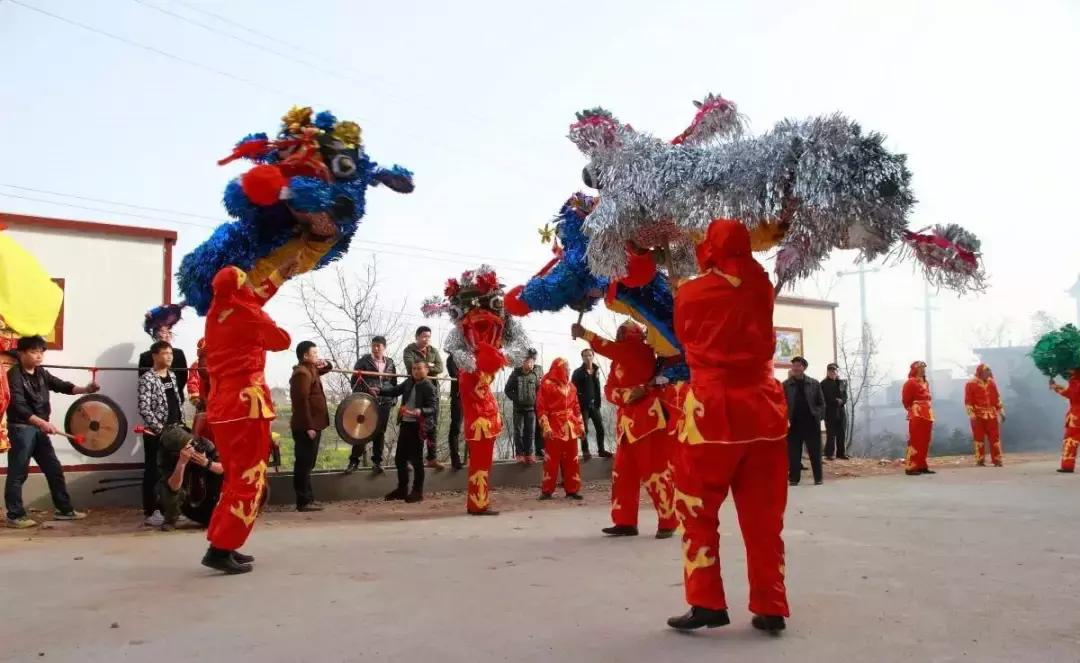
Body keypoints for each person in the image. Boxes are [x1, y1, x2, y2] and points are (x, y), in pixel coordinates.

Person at [667, 219, 789, 634]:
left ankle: (707, 602)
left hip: (711, 416)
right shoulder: (764, 287)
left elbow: (683, 338)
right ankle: (771, 605)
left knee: (697, 509)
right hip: (764, 413)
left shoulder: (690, 292)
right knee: (764, 517)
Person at [202, 265, 292, 574]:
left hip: (221, 408)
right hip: (246, 408)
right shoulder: (249, 315)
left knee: (234, 478)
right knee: (250, 479)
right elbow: (281, 340)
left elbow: (252, 299)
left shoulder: (217, 311)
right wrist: (263, 318)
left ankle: (222, 542)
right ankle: (222, 548)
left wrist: (279, 277)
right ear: (241, 288)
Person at [572, 320, 676, 539]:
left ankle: (668, 520)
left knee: (654, 470)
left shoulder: (641, 351)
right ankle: (625, 521)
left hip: (648, 421)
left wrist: (586, 334)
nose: (618, 335)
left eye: (622, 332)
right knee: (622, 473)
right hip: (626, 424)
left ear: (633, 336)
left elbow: (610, 349)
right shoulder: (617, 360)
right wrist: (627, 395)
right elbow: (609, 390)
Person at [5, 335, 97, 529]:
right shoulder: (13, 375)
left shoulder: (41, 373)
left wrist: (86, 389)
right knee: (18, 472)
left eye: (41, 352)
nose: (38, 356)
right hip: (22, 429)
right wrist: (41, 423)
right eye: (33, 352)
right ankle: (15, 515)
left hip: (39, 429)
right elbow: (18, 406)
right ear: (21, 353)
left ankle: (64, 510)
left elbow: (61, 386)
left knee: (54, 469)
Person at [136, 340, 185, 527]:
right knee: (153, 471)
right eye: (165, 353)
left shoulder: (172, 376)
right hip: (156, 433)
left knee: (172, 471)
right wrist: (159, 429)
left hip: (175, 430)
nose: (169, 356)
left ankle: (171, 510)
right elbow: (145, 408)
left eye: (170, 353)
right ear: (155, 356)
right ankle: (151, 511)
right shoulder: (147, 379)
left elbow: (177, 401)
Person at [379, 359, 438, 502]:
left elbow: (433, 408)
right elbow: (395, 390)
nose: (416, 371)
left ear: (426, 370)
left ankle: (417, 492)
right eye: (414, 369)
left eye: (419, 368)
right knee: (400, 459)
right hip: (405, 423)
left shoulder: (429, 387)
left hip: (418, 426)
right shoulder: (409, 382)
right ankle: (402, 489)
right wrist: (380, 390)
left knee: (416, 461)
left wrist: (421, 410)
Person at [289, 340, 332, 512]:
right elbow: (301, 402)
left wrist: (326, 362)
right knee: (304, 463)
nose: (317, 356)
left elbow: (327, 368)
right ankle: (303, 501)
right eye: (314, 353)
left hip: (314, 424)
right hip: (306, 426)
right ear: (305, 356)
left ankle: (309, 498)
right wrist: (309, 426)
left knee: (308, 463)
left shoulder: (311, 369)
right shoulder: (301, 373)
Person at [158, 424, 224, 531]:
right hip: (187, 502)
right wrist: (182, 463)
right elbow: (173, 486)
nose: (192, 447)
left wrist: (206, 463)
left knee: (222, 475)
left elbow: (222, 468)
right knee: (167, 489)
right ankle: (170, 518)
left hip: (206, 495)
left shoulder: (204, 444)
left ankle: (218, 513)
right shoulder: (168, 456)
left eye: (191, 442)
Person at [536, 358, 585, 500]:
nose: (569, 369)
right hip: (554, 427)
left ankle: (572, 490)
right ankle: (547, 490)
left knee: (572, 460)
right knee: (551, 460)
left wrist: (580, 425)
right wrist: (546, 426)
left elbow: (576, 408)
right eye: (566, 367)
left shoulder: (572, 387)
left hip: (571, 428)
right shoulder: (546, 385)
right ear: (559, 369)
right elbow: (541, 408)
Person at [348, 335, 397, 474]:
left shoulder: (391, 363)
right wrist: (366, 391)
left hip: (385, 402)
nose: (375, 349)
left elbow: (394, 383)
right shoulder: (363, 361)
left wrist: (393, 399)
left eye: (378, 346)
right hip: (367, 402)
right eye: (373, 346)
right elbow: (354, 382)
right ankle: (353, 461)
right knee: (362, 430)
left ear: (384, 348)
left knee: (380, 432)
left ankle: (377, 462)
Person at [403, 325, 445, 469]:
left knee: (432, 426)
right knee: (413, 427)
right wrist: (427, 367)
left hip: (432, 391)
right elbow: (411, 366)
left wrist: (425, 368)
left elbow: (440, 367)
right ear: (417, 337)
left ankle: (432, 458)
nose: (426, 339)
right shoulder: (409, 350)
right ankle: (409, 459)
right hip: (416, 391)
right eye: (424, 336)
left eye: (428, 336)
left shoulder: (433, 350)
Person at [783, 357, 826, 486]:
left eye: (798, 365)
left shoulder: (814, 383)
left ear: (804, 367)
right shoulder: (785, 385)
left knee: (815, 453)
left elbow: (822, 404)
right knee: (793, 454)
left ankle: (818, 478)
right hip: (793, 424)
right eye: (794, 366)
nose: (795, 368)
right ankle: (794, 478)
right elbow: (781, 403)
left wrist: (817, 416)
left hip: (811, 424)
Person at [572, 347, 611, 459]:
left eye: (590, 355)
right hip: (583, 406)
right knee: (584, 430)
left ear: (593, 356)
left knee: (600, 428)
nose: (588, 357)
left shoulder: (596, 370)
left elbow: (597, 388)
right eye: (585, 356)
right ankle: (585, 451)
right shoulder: (578, 372)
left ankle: (601, 450)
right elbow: (572, 390)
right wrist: (576, 406)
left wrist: (598, 403)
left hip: (595, 405)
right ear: (582, 358)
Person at [504, 348, 541, 464]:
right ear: (522, 362)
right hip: (518, 409)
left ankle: (529, 454)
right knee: (518, 432)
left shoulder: (536, 374)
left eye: (531, 362)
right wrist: (517, 399)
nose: (529, 364)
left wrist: (537, 400)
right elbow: (508, 390)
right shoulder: (515, 374)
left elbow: (540, 389)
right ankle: (520, 454)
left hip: (531, 408)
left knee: (530, 432)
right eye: (527, 361)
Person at [965, 363, 1005, 467]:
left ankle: (997, 459)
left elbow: (997, 398)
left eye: (989, 371)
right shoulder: (971, 383)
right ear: (981, 372)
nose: (989, 373)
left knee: (995, 438)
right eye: (987, 371)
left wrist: (1001, 411)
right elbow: (968, 401)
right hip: (978, 415)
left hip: (991, 415)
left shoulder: (992, 383)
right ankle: (980, 460)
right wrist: (971, 414)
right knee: (979, 438)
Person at [902, 361, 935, 476]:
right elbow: (906, 400)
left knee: (925, 440)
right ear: (915, 369)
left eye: (923, 368)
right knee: (915, 440)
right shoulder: (910, 383)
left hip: (927, 413)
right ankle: (911, 466)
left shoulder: (926, 382)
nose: (923, 370)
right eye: (920, 368)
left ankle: (921, 465)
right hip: (916, 412)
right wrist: (912, 409)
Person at [138, 324, 188, 402]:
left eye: (169, 333)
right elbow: (143, 379)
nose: (167, 336)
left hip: (175, 397)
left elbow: (183, 376)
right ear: (155, 336)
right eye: (163, 333)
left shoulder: (178, 353)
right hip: (155, 399)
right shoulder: (145, 356)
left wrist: (172, 389)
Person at [1049, 371, 1080, 473]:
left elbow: (1073, 395)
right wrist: (1057, 386)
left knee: (1070, 440)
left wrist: (1056, 388)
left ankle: (1067, 466)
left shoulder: (1076, 379)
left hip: (1077, 416)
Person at [821, 363, 849, 460]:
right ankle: (829, 454)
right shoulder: (823, 384)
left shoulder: (842, 383)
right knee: (831, 434)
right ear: (828, 372)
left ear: (837, 372)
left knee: (841, 433)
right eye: (831, 371)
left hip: (841, 411)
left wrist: (842, 401)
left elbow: (845, 396)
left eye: (834, 371)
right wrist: (834, 401)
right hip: (830, 412)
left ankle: (841, 453)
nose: (832, 372)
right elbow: (823, 398)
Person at [445, 353, 464, 470]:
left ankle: (473, 456)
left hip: (473, 396)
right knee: (456, 427)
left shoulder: (472, 355)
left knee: (474, 426)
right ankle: (455, 459)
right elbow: (456, 375)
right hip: (458, 396)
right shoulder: (451, 358)